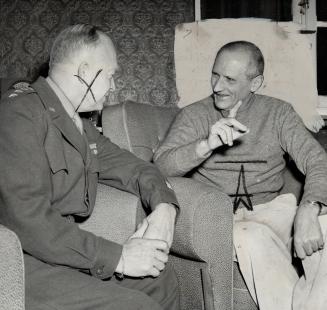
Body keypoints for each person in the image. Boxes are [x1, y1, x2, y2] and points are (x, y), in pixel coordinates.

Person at [0, 24, 180, 310]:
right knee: (135, 306)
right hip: (19, 262)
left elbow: (137, 169)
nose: (113, 86)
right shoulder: (19, 114)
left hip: (59, 254)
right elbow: (28, 221)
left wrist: (165, 209)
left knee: (160, 279)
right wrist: (119, 257)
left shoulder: (78, 125)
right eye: (110, 75)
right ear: (85, 72)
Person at [153, 40, 327, 310]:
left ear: (255, 83)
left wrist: (310, 207)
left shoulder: (279, 113)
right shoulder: (195, 115)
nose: (217, 87)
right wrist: (206, 145)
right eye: (215, 75)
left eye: (230, 80)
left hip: (274, 213)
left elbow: (317, 159)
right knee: (251, 235)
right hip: (222, 221)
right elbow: (160, 166)